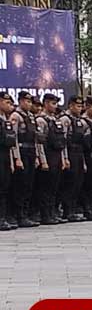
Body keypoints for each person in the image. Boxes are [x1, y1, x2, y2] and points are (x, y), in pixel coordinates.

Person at [9, 91, 41, 227]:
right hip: (21, 151)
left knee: (29, 184)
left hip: (31, 151)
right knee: (20, 185)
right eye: (27, 101)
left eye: (30, 102)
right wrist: (17, 157)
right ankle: (17, 215)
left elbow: (35, 139)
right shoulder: (16, 116)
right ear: (21, 101)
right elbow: (13, 138)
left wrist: (38, 156)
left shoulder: (31, 117)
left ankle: (25, 214)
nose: (29, 104)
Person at [35, 94, 68, 225]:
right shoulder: (41, 120)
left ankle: (52, 212)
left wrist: (63, 159)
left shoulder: (56, 120)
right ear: (46, 103)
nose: (56, 106)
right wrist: (43, 161)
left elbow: (61, 142)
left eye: (56, 104)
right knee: (45, 188)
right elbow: (40, 142)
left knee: (54, 187)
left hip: (57, 156)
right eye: (53, 103)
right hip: (48, 156)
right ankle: (45, 215)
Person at [58, 96, 88, 222]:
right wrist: (65, 158)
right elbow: (63, 140)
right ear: (70, 106)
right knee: (69, 183)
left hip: (79, 153)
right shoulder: (65, 119)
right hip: (70, 152)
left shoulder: (80, 120)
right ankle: (67, 210)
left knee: (78, 182)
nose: (79, 108)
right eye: (77, 106)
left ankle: (73, 209)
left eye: (81, 106)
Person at [0, 92, 18, 231]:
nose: (10, 105)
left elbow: (11, 143)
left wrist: (12, 161)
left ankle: (3, 218)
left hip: (5, 156)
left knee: (5, 188)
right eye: (6, 103)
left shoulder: (6, 121)